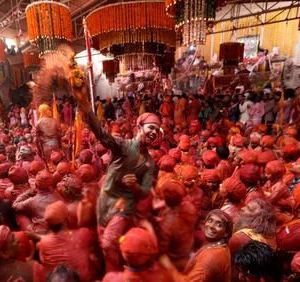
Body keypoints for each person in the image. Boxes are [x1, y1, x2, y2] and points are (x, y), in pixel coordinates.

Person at [72, 84, 161, 272]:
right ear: (140, 126)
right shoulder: (123, 145)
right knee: (104, 242)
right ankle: (115, 271)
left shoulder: (150, 163)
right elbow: (102, 136)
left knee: (107, 243)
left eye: (157, 130)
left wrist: (135, 186)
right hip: (104, 201)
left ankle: (114, 276)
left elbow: (145, 191)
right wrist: (86, 106)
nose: (153, 132)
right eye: (151, 127)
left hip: (123, 205)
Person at [160, 209, 233, 282]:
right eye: (210, 221)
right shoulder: (219, 245)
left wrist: (169, 266)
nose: (211, 226)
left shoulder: (212, 257)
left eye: (218, 225)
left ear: (226, 233)